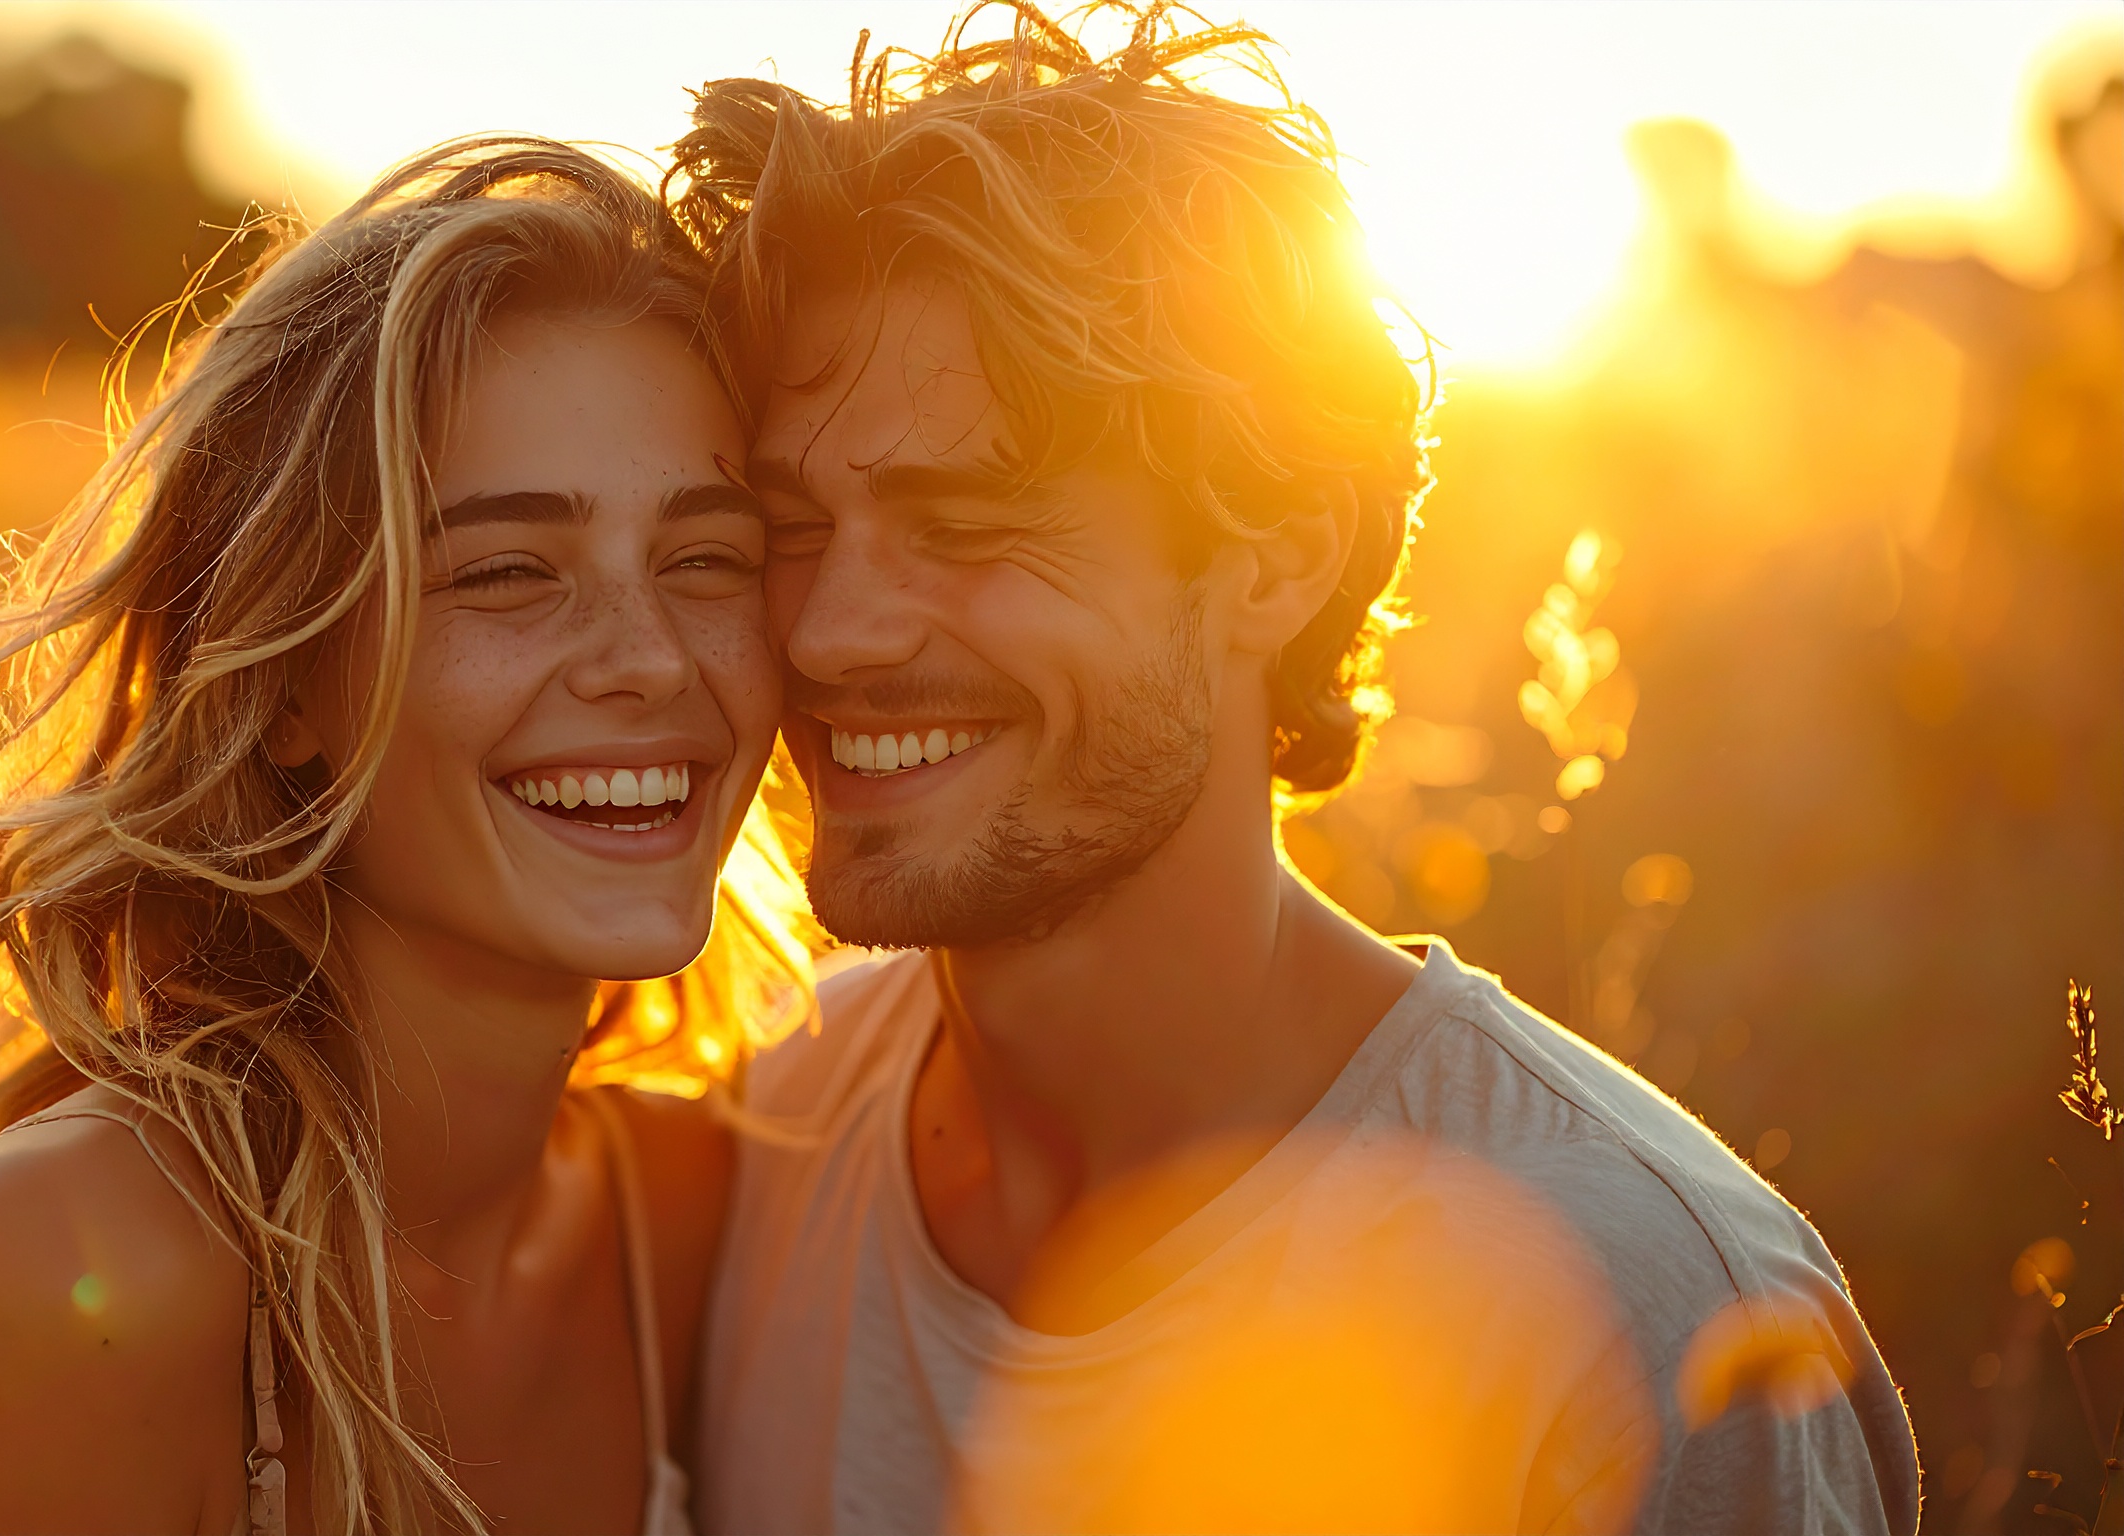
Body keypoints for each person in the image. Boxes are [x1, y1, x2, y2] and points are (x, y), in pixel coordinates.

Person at [668, 9, 1921, 1532]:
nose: (830, 628)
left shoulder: (1644, 1318)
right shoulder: (742, 1140)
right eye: (794, 527)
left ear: (1275, 561)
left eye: (972, 523)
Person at [0, 140, 814, 1534]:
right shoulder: (64, 1280)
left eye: (708, 558)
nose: (649, 663)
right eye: (507, 573)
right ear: (279, 685)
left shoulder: (694, 1225)